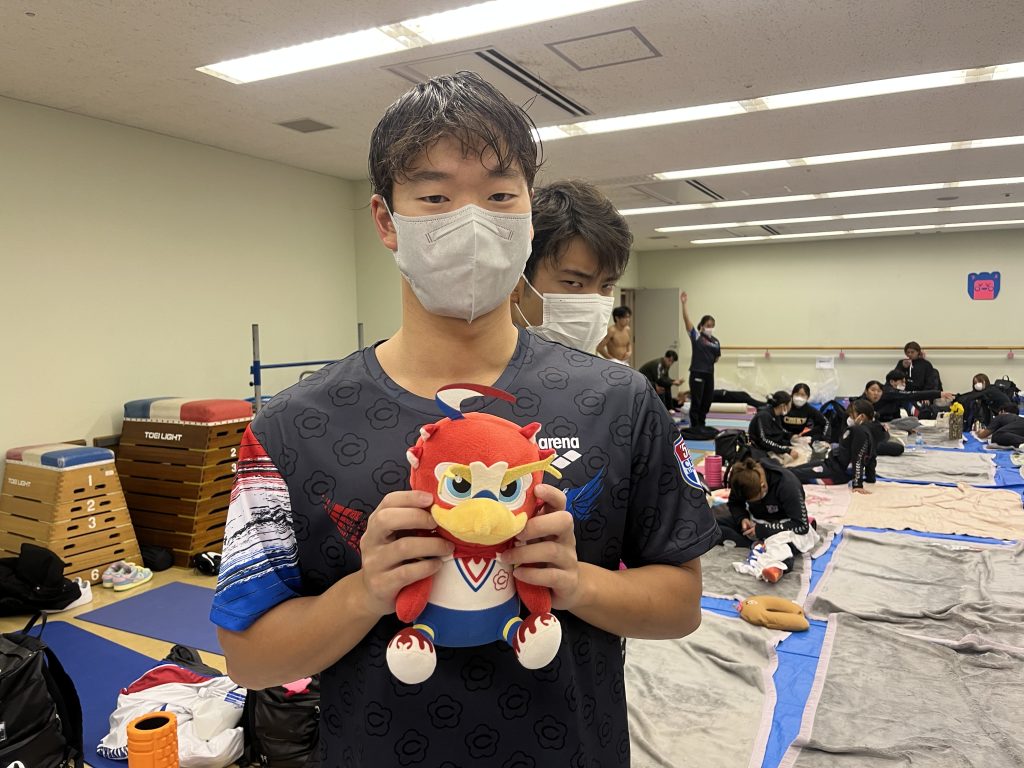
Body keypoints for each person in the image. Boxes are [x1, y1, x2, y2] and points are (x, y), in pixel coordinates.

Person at [210, 72, 718, 768]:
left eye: (500, 194)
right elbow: (248, 657)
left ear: (528, 217)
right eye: (436, 197)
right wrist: (366, 592)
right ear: (386, 221)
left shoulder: (618, 401)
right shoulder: (290, 428)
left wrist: (577, 583)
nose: (472, 221)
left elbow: (681, 604)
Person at [511, 180, 632, 354]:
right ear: (514, 283)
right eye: (573, 283)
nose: (593, 307)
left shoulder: (599, 371)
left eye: (607, 286)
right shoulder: (476, 366)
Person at [721, 457, 816, 582]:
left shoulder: (787, 485)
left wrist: (763, 530)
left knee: (782, 546)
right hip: (755, 520)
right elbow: (734, 503)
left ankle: (776, 568)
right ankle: (757, 545)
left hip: (784, 525)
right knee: (713, 525)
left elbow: (801, 526)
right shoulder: (742, 480)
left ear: (763, 486)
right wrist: (742, 518)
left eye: (757, 499)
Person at [792, 399, 877, 493]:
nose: (849, 418)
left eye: (852, 415)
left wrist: (858, 484)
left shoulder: (859, 431)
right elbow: (872, 456)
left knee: (791, 475)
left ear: (862, 417)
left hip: (835, 473)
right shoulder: (867, 431)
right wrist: (871, 478)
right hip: (830, 463)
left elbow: (858, 458)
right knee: (792, 470)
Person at [680, 291, 720, 430]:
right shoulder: (697, 336)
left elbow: (717, 357)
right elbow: (687, 322)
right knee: (697, 400)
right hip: (697, 372)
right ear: (702, 326)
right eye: (708, 325)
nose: (710, 328)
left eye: (712, 325)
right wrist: (684, 304)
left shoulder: (715, 341)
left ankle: (702, 423)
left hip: (709, 373)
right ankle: (695, 426)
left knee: (707, 401)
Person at [874, 369, 951, 423]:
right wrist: (938, 394)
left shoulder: (893, 392)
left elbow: (895, 414)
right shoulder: (890, 392)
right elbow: (912, 395)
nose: (904, 384)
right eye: (902, 382)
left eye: (905, 382)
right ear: (892, 382)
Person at [749, 391, 800, 461]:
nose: (790, 407)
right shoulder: (764, 416)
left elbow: (780, 430)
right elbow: (764, 441)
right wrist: (787, 450)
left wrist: (791, 436)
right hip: (760, 449)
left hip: (771, 444)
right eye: (790, 404)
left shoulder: (776, 414)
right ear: (783, 406)